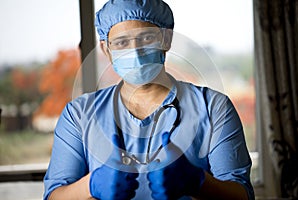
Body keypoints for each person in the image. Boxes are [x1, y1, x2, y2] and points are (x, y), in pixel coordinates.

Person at [43, 0, 254, 199]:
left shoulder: (213, 108)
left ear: (166, 39)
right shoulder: (79, 115)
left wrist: (197, 182)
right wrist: (91, 185)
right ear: (106, 50)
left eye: (146, 38)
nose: (135, 51)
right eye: (122, 42)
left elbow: (242, 194)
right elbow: (54, 196)